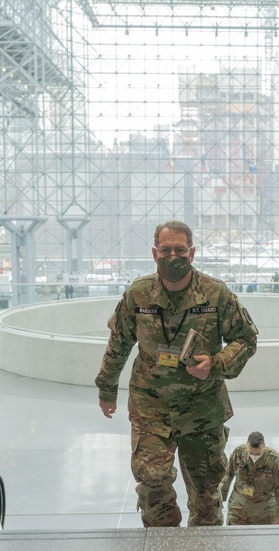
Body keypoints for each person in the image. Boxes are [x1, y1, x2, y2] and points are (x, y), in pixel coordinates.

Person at [95, 220, 259, 527]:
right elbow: (118, 343)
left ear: (192, 252)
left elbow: (246, 340)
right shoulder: (138, 295)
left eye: (180, 250)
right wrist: (106, 388)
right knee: (153, 484)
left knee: (206, 492)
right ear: (155, 253)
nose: (174, 256)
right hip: (151, 408)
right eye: (167, 249)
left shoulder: (215, 294)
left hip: (203, 409)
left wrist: (217, 362)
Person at [220, 431, 279, 525]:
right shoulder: (238, 453)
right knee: (235, 538)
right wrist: (219, 500)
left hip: (264, 511)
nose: (254, 456)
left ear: (264, 446)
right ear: (247, 444)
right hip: (238, 508)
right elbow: (227, 475)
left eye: (258, 454)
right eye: (251, 453)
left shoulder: (274, 460)